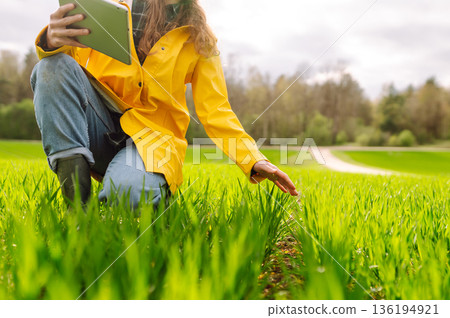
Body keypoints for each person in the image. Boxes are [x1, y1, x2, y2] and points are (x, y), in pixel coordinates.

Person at [31, 0, 298, 210]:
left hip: (153, 144)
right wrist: (53, 42)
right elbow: (65, 74)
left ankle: (144, 186)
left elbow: (216, 110)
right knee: (51, 68)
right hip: (97, 124)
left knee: (127, 195)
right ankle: (78, 211)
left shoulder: (200, 40)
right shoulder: (109, 10)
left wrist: (254, 159)